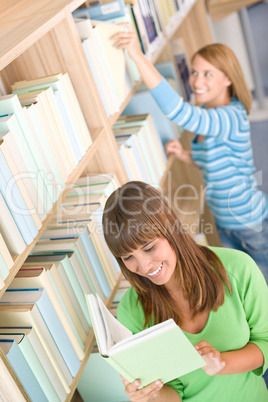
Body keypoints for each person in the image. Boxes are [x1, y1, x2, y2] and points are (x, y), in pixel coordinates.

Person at [110, 24, 268, 284]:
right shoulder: (210, 116)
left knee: (260, 286)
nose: (197, 81)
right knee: (243, 283)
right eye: (195, 72)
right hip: (226, 220)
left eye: (208, 74)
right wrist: (184, 155)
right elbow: (215, 161)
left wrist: (137, 55)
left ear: (228, 79)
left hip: (249, 223)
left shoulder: (230, 115)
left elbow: (179, 113)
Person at [102, 180, 268, 402]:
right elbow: (173, 393)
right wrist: (150, 395)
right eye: (128, 257)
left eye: (149, 247)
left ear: (171, 228)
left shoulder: (238, 269)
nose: (144, 267)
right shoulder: (131, 311)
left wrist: (222, 363)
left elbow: (264, 343)